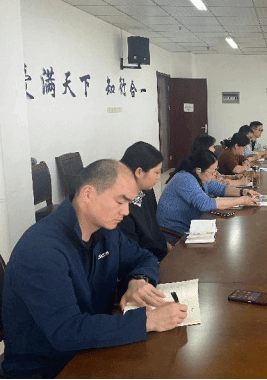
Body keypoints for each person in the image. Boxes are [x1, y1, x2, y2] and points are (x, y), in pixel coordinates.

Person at [2, 159, 188, 379]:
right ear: (88, 194)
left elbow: (144, 257)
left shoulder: (107, 231)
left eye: (129, 202)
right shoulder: (41, 249)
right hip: (48, 368)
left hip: (93, 348)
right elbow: (66, 331)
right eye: (120, 201)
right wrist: (149, 320)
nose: (126, 211)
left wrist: (138, 280)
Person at [157, 150, 260, 235]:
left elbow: (220, 188)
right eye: (212, 172)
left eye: (216, 170)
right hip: (174, 232)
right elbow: (205, 204)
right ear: (198, 170)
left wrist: (243, 192)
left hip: (194, 225)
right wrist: (241, 201)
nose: (215, 174)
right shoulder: (185, 178)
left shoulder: (200, 177)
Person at [119, 141, 172, 261]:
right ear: (139, 172)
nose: (159, 177)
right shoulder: (121, 207)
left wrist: (166, 246)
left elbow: (154, 227)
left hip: (160, 255)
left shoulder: (145, 191)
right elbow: (131, 252)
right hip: (146, 264)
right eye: (156, 172)